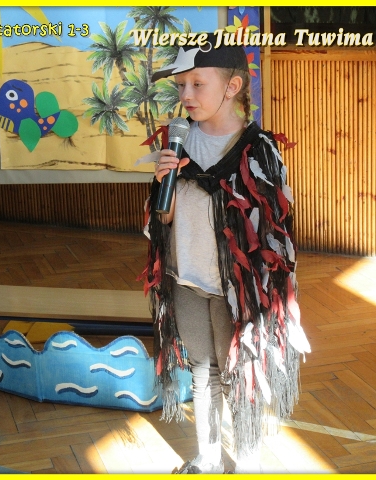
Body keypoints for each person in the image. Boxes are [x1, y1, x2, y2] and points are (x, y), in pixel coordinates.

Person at [140, 33, 311, 474]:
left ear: (232, 87)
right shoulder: (178, 143)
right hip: (187, 280)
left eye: (198, 84)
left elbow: (274, 232)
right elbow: (163, 221)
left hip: (237, 292)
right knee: (204, 372)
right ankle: (210, 458)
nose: (186, 95)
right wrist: (163, 184)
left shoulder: (259, 150)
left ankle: (248, 463)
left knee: (240, 375)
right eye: (181, 85)